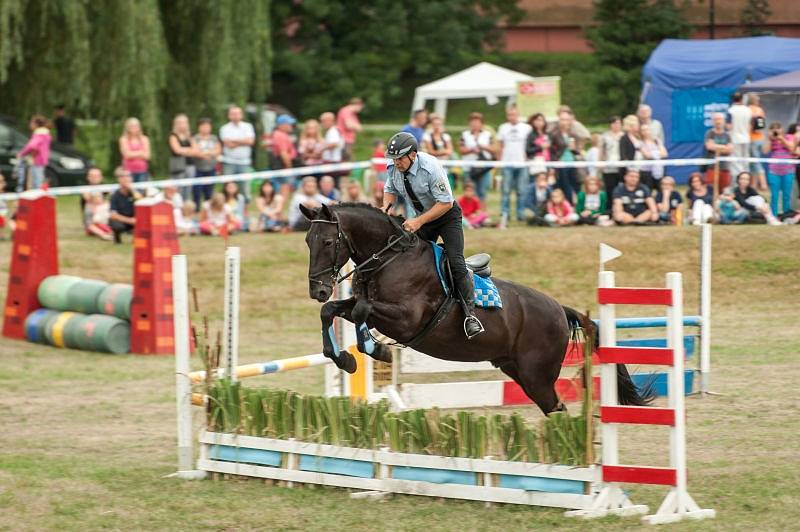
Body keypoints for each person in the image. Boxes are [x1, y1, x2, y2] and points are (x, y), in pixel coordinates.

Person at [382, 131, 484, 339]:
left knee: (455, 262)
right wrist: (386, 208)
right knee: (405, 256)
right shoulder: (394, 168)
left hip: (446, 216)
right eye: (393, 158)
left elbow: (445, 203)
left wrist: (418, 221)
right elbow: (390, 189)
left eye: (399, 158)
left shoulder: (431, 168)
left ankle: (470, 316)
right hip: (422, 217)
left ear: (412, 155)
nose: (396, 163)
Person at [497, 106, 532, 226]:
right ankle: (504, 213)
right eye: (510, 114)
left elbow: (530, 145)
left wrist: (528, 158)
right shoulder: (503, 128)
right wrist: (499, 161)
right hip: (507, 164)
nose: (512, 116)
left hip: (522, 164)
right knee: (506, 191)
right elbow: (500, 146)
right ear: (507, 116)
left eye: (515, 114)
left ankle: (520, 214)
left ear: (518, 115)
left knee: (521, 191)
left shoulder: (526, 128)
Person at [459, 112, 495, 206]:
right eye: (473, 122)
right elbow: (461, 150)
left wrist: (483, 147)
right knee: (469, 192)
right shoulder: (465, 135)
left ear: (481, 123)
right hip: (469, 168)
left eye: (477, 122)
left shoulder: (487, 134)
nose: (475, 124)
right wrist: (471, 149)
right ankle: (469, 214)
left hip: (483, 168)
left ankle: (482, 214)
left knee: (482, 192)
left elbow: (494, 149)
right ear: (470, 123)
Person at [761, 122, 796, 217]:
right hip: (774, 171)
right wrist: (769, 139)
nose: (776, 130)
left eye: (778, 128)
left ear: (782, 129)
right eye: (773, 129)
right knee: (774, 195)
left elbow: (792, 148)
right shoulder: (770, 140)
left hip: (788, 170)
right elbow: (765, 151)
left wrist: (782, 139)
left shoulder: (788, 137)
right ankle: (773, 216)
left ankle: (786, 215)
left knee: (786, 194)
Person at [549, 109, 580, 204]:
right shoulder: (554, 134)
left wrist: (575, 149)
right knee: (564, 187)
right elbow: (551, 152)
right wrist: (553, 165)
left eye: (567, 119)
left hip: (572, 163)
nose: (565, 122)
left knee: (575, 186)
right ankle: (566, 206)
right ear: (559, 120)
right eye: (562, 119)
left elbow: (576, 152)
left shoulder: (573, 134)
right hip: (560, 165)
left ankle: (575, 208)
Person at [17, 115, 52, 190]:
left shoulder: (39, 134)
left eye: (31, 123)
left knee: (36, 183)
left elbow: (31, 146)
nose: (30, 124)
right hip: (42, 160)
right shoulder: (46, 134)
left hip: (36, 160)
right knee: (39, 180)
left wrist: (21, 153)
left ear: (36, 124)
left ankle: (37, 199)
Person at [192, 118, 221, 207]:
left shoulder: (214, 138)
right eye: (203, 126)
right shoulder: (195, 138)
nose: (205, 128)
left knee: (209, 191)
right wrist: (208, 154)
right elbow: (195, 151)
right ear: (199, 127)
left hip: (211, 168)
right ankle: (196, 209)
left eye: (207, 126)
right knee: (197, 191)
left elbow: (218, 150)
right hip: (198, 168)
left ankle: (208, 209)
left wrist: (206, 153)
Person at [220, 105, 256, 176]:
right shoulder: (224, 128)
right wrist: (244, 142)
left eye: (237, 114)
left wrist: (234, 140)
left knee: (245, 187)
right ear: (229, 116)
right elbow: (229, 145)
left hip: (244, 162)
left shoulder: (248, 127)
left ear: (241, 115)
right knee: (228, 185)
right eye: (233, 114)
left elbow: (251, 142)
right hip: (229, 162)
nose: (235, 116)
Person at [109, 167, 141, 244]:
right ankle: (117, 238)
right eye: (123, 176)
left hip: (135, 219)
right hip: (122, 220)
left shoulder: (136, 192)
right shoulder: (115, 195)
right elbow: (113, 215)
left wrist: (132, 190)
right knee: (115, 223)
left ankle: (137, 237)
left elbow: (142, 203)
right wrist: (130, 220)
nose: (126, 179)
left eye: (128, 176)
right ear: (119, 179)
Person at [421, 114, 454, 189]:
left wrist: (440, 152)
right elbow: (431, 152)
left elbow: (450, 151)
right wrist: (444, 152)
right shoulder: (427, 136)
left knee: (446, 186)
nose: (437, 126)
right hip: (431, 165)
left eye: (439, 124)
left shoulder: (446, 136)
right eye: (435, 124)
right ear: (431, 125)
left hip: (445, 165)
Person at [704, 112, 734, 190]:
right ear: (712, 121)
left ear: (724, 121)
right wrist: (724, 147)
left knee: (725, 190)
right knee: (711, 189)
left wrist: (716, 147)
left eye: (720, 119)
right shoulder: (709, 133)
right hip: (712, 167)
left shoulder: (728, 135)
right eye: (716, 119)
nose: (718, 121)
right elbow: (709, 146)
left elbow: (730, 149)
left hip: (725, 167)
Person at [728, 92, 752, 179]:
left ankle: (739, 181)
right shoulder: (748, 110)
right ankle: (745, 180)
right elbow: (750, 125)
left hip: (735, 139)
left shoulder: (731, 111)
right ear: (742, 99)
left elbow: (729, 126)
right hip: (746, 138)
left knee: (736, 162)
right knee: (745, 161)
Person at [119, 117, 151, 183]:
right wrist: (141, 152)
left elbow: (147, 156)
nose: (134, 127)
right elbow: (126, 155)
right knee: (130, 192)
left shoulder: (144, 139)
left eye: (136, 125)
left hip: (142, 171)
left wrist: (132, 153)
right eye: (131, 125)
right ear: (127, 127)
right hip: (128, 172)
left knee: (141, 192)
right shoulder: (123, 139)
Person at [599, 116, 624, 201]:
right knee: (610, 188)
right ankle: (610, 208)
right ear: (610, 125)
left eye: (619, 123)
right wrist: (600, 164)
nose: (617, 125)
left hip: (621, 166)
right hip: (608, 166)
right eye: (614, 123)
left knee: (621, 188)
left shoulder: (624, 136)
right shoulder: (604, 136)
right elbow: (601, 151)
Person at [747, 93, 768, 190]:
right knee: (753, 162)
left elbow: (751, 126)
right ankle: (753, 185)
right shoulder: (760, 110)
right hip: (760, 138)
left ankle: (763, 184)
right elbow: (762, 125)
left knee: (755, 162)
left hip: (752, 138)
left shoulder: (748, 110)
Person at [169, 114, 197, 184]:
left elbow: (196, 150)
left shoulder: (190, 135)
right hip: (178, 167)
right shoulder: (173, 136)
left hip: (190, 165)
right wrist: (190, 150)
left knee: (188, 187)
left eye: (184, 122)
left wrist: (184, 150)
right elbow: (177, 150)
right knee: (178, 187)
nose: (182, 125)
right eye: (180, 123)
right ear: (176, 124)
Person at [639, 123, 668, 190]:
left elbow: (665, 154)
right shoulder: (640, 142)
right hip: (646, 171)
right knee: (647, 190)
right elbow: (647, 156)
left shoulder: (657, 141)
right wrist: (658, 153)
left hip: (659, 170)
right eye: (643, 130)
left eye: (647, 129)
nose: (646, 132)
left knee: (661, 189)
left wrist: (653, 154)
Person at [0, 173, 13, 239]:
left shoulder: (4, 195)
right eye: (0, 182)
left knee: (8, 222)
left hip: (3, 213)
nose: (2, 184)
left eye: (2, 182)